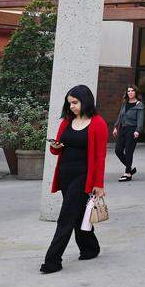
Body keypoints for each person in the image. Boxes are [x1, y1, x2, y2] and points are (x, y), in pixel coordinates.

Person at [41, 85, 107, 274]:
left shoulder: (98, 123)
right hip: (65, 175)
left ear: (85, 101)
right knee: (77, 215)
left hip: (83, 176)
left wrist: (98, 184)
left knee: (66, 217)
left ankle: (52, 260)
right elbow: (57, 149)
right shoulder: (67, 121)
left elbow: (100, 156)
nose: (71, 107)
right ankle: (90, 248)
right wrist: (56, 146)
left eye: (75, 103)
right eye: (69, 103)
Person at [113, 85, 144, 181]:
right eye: (128, 91)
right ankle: (129, 169)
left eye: (132, 91)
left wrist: (138, 130)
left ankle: (127, 173)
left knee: (129, 151)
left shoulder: (139, 105)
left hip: (132, 130)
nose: (130, 92)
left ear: (136, 93)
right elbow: (120, 116)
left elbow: (140, 119)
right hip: (123, 129)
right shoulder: (125, 103)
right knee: (118, 150)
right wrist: (116, 127)